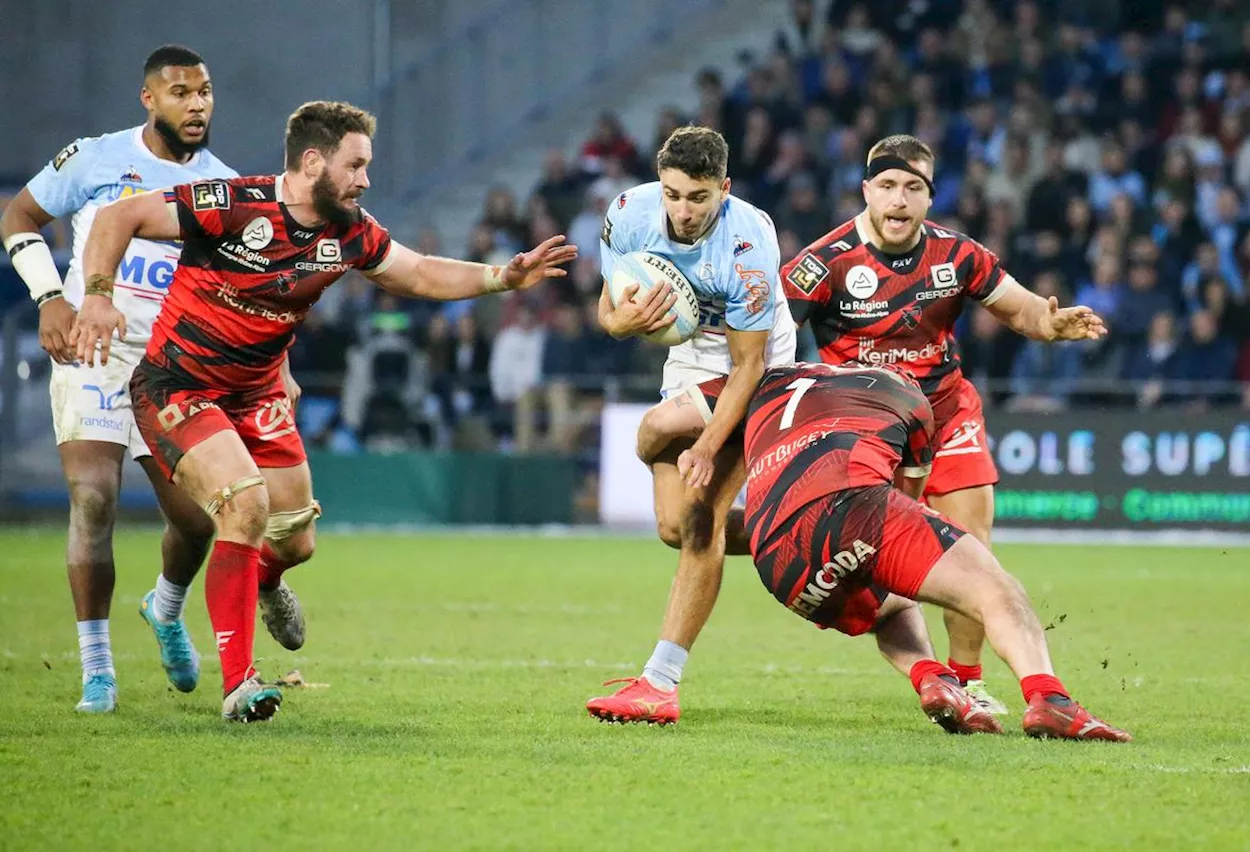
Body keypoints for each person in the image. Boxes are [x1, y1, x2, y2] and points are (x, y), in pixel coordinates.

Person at [71, 100, 577, 721]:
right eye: (356, 165)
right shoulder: (232, 203)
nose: (365, 180)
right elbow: (117, 216)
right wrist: (95, 298)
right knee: (244, 505)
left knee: (297, 542)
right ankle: (239, 686)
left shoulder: (349, 231)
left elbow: (416, 274)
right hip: (179, 385)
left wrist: (503, 276)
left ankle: (260, 580)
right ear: (313, 162)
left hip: (257, 394)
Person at [778, 135, 1106, 714]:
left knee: (972, 548)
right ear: (866, 190)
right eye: (887, 186)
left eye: (913, 188)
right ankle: (928, 672)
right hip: (863, 430)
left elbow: (1023, 308)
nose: (899, 200)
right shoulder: (822, 263)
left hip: (945, 412)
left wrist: (1052, 325)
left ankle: (967, 679)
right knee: (869, 570)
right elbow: (770, 338)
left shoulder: (959, 256)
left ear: (930, 197)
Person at [0, 45, 237, 713]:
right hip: (92, 352)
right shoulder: (96, 157)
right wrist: (51, 297)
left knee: (195, 522)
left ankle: (164, 609)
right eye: (181, 92)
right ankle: (97, 668)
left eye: (205, 92)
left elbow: (235, 292)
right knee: (94, 498)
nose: (196, 105)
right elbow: (19, 216)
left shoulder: (223, 184)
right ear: (149, 100)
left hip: (170, 370)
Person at [734, 360, 1129, 740]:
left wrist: (692, 459)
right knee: (994, 588)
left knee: (890, 609)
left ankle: (933, 678)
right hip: (853, 504)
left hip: (776, 560)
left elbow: (670, 419)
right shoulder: (907, 394)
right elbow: (909, 495)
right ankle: (1049, 698)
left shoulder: (764, 387)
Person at [585, 126, 797, 725]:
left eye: (698, 197)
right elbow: (610, 308)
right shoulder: (628, 213)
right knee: (674, 526)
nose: (682, 211)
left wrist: (707, 446)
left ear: (723, 189)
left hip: (753, 363)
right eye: (673, 194)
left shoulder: (748, 245)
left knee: (694, 504)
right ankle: (810, 535)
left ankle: (660, 681)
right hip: (687, 359)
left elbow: (750, 365)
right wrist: (621, 326)